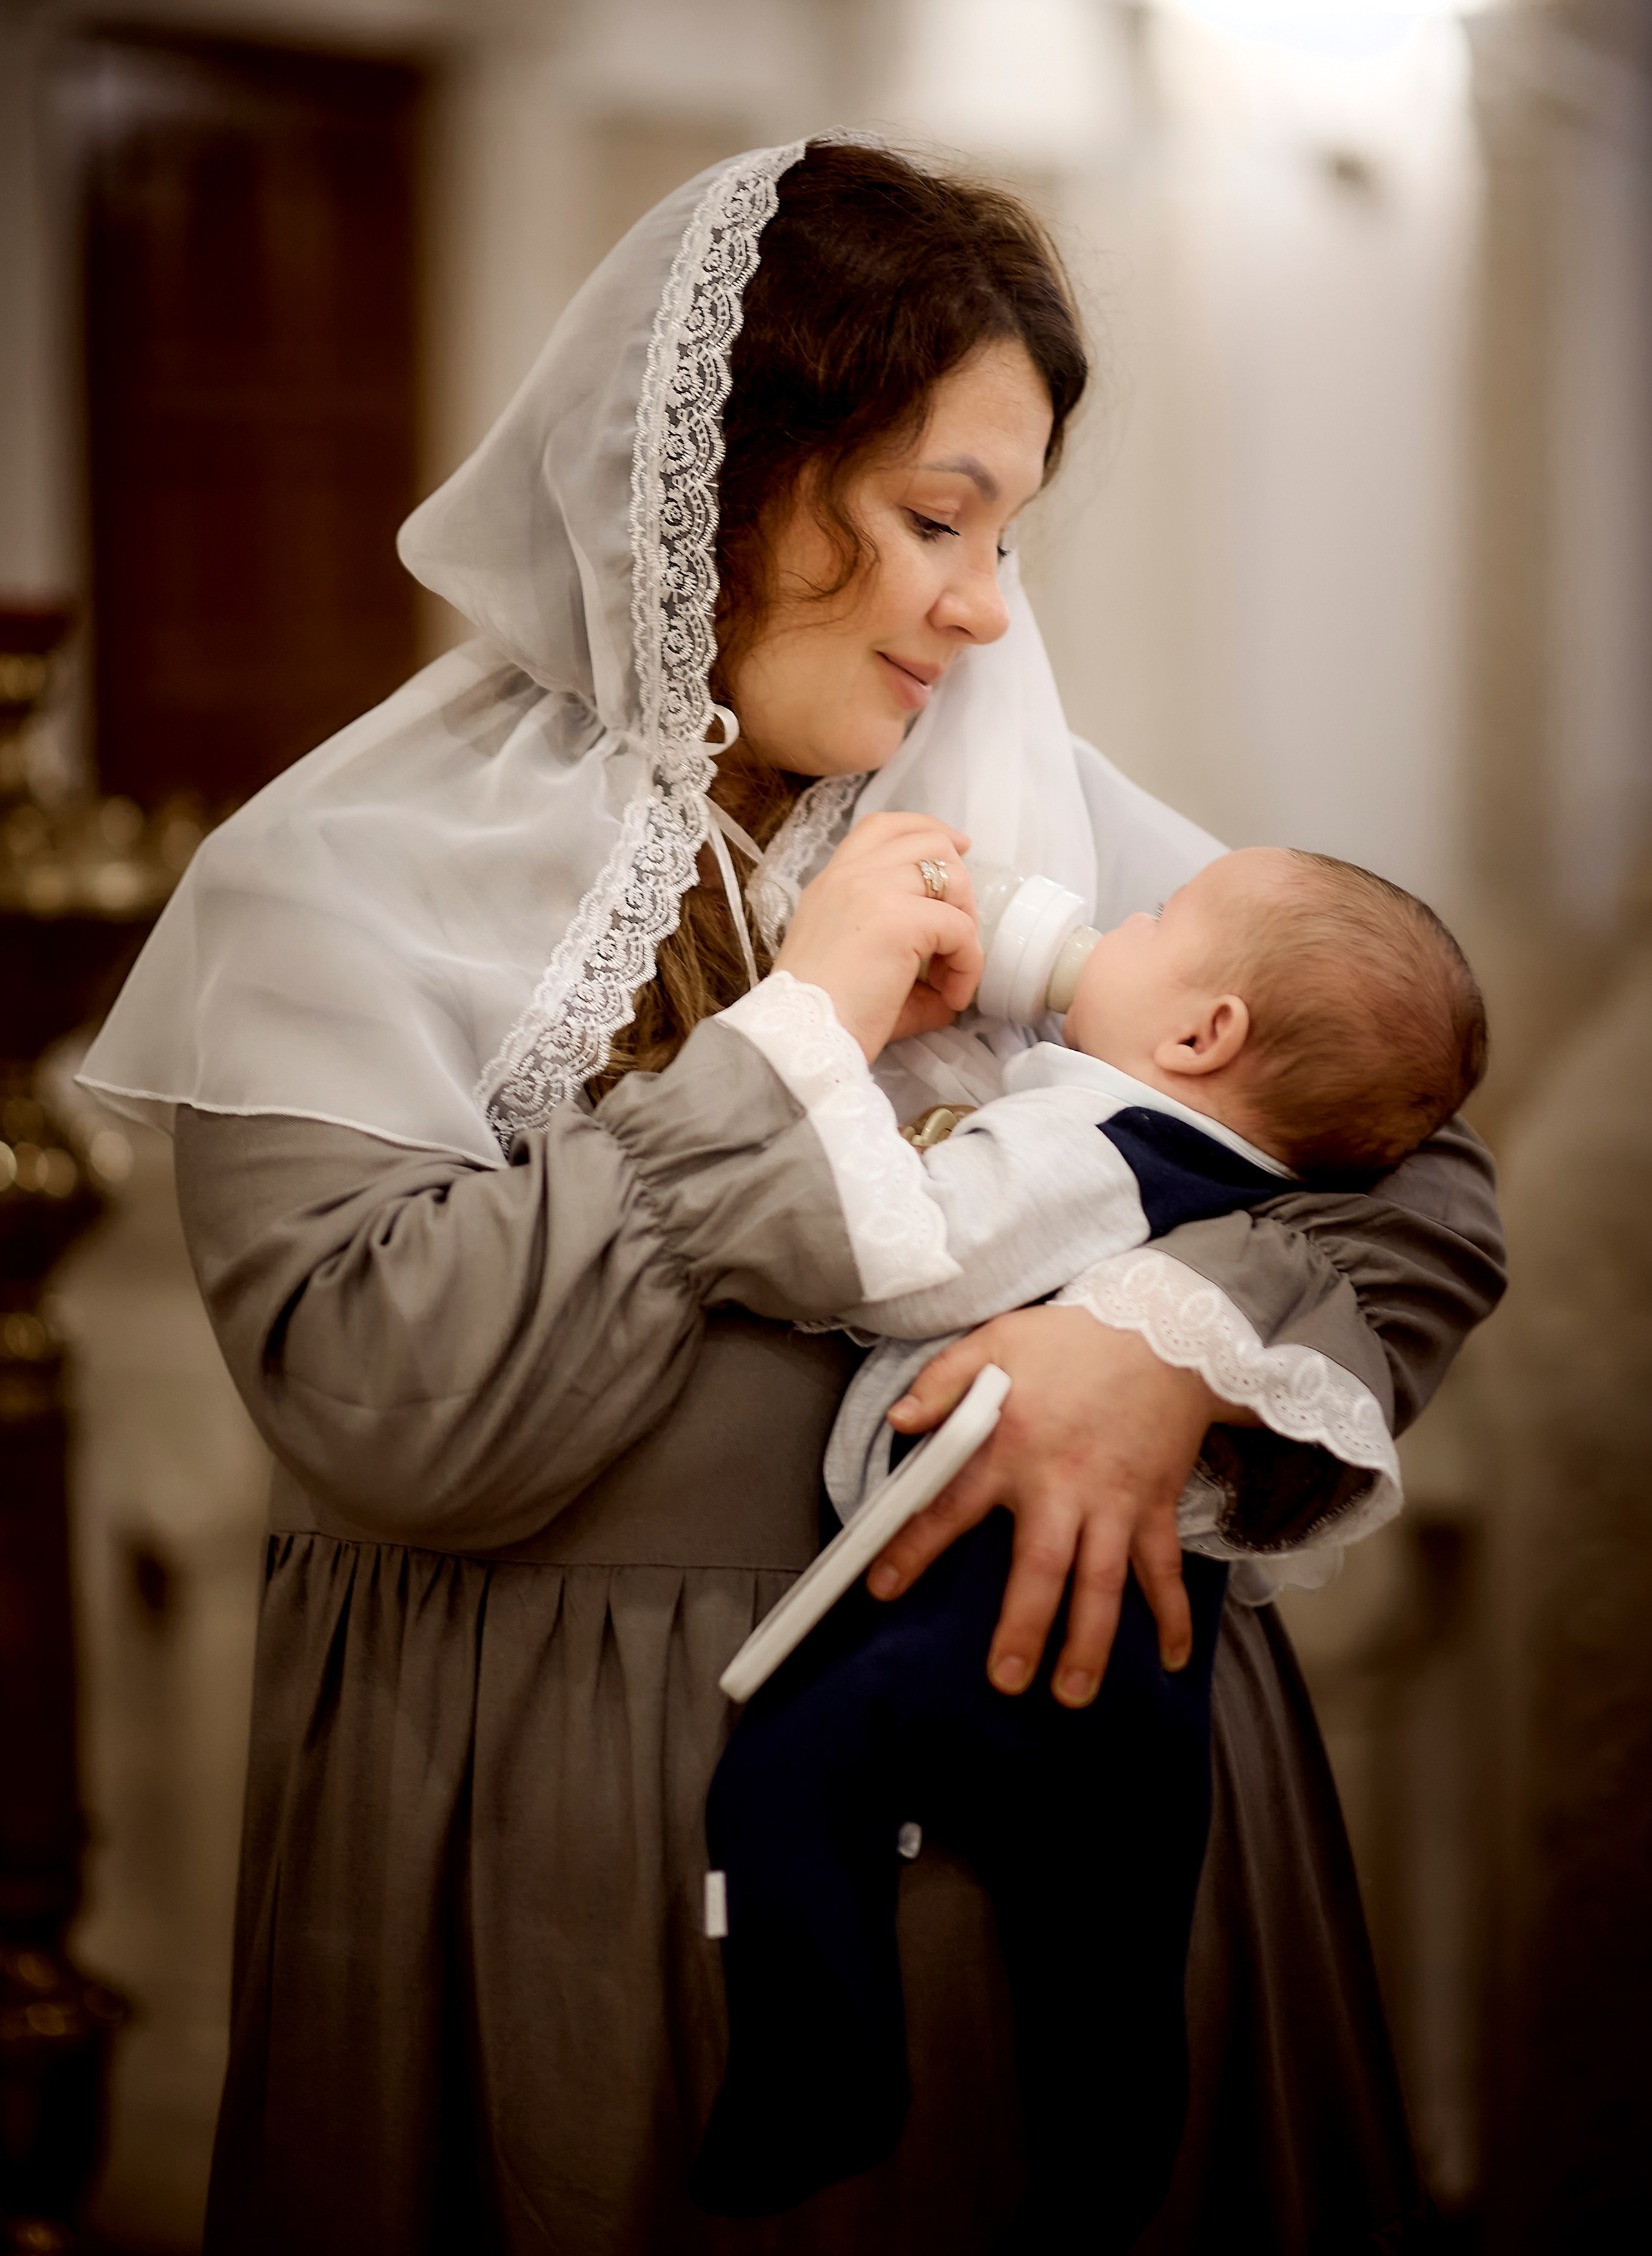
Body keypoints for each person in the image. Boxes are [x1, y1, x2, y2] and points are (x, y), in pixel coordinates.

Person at [78, 139, 1505, 2254]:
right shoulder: (332, 881)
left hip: (1101, 1813)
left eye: (1010, 534)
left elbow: (1421, 1164)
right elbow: (402, 1402)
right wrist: (803, 1033)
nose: (987, 604)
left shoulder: (1039, 815)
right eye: (937, 517)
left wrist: (1155, 1344)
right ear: (720, 473)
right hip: (581, 1828)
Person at [698, 848, 1489, 2237]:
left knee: (790, 1774)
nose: (1113, 920)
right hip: (1152, 1628)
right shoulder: (1209, 1166)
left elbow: (881, 1252)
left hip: (991, 1587)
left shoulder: (1091, 1142)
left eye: (1155, 921)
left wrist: (810, 1045)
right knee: (1109, 1927)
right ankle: (1108, 2164)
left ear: (1202, 1033)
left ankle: (820, 2077)